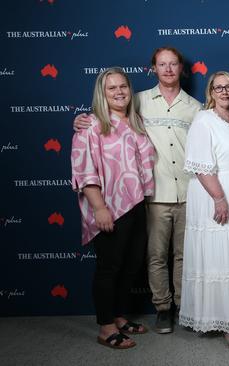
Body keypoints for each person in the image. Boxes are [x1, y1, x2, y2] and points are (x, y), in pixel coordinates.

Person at [74, 47, 202, 334]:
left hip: (167, 197)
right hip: (137, 200)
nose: (168, 69)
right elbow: (86, 163)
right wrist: (80, 120)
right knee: (145, 258)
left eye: (173, 64)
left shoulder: (191, 108)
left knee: (161, 259)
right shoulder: (135, 105)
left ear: (181, 68)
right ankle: (157, 311)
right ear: (153, 68)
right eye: (161, 64)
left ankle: (178, 308)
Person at [71, 67, 155, 349]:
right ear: (101, 93)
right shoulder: (91, 126)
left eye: (123, 86)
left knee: (131, 266)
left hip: (136, 203)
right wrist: (99, 208)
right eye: (112, 88)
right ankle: (106, 327)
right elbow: (84, 171)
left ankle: (119, 317)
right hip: (109, 207)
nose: (119, 92)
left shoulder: (136, 121)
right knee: (109, 267)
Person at [179, 71, 229, 351]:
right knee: (221, 258)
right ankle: (228, 324)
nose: (224, 92)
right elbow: (201, 165)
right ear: (210, 92)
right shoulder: (204, 119)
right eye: (218, 87)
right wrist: (219, 198)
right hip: (217, 192)